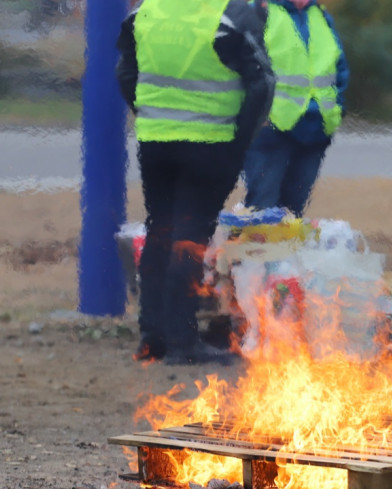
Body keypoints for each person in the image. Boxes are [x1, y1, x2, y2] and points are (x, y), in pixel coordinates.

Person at [116, 0, 275, 365]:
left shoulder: (145, 13)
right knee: (189, 238)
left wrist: (149, 115)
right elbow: (262, 82)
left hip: (156, 140)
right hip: (210, 142)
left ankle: (153, 337)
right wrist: (240, 139)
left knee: (159, 231)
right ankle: (182, 340)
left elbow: (125, 73)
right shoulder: (230, 14)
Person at [243, 0, 349, 216]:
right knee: (262, 211)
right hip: (271, 130)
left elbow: (339, 70)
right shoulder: (258, 11)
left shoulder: (320, 16)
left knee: (293, 214)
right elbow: (241, 66)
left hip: (316, 128)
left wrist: (336, 109)